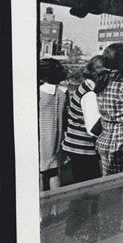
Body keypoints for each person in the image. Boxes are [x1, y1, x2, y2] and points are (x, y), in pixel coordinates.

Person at [94, 43, 123, 175]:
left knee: (107, 185)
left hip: (105, 140)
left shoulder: (102, 81)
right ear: (121, 61)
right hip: (121, 144)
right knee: (119, 185)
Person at [61, 55, 105, 184]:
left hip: (76, 146)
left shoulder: (84, 87)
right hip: (83, 148)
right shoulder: (90, 94)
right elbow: (93, 129)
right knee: (88, 189)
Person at [38, 57, 68, 191]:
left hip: (41, 139)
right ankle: (55, 207)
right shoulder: (63, 92)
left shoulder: (40, 92)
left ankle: (40, 209)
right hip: (57, 139)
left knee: (40, 173)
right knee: (54, 172)